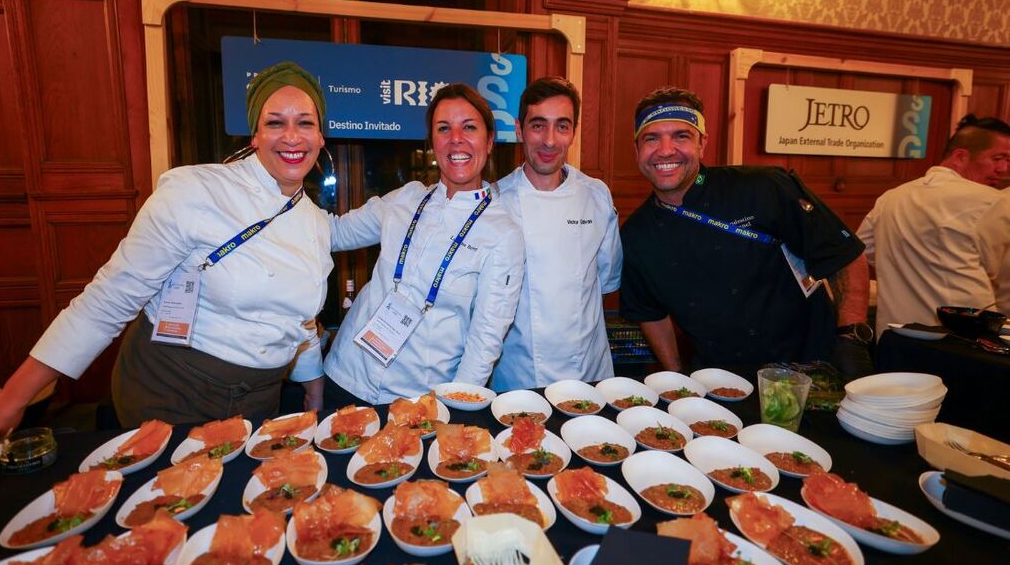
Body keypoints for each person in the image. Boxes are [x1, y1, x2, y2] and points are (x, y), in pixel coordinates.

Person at [0, 61, 334, 448]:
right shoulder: (195, 191)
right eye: (275, 122)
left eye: (305, 123)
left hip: (258, 400)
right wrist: (12, 400)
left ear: (320, 137)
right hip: (172, 391)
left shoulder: (314, 223)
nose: (292, 137)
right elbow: (108, 301)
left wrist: (313, 393)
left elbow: (301, 322)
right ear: (254, 136)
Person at [619, 87, 870, 376]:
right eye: (651, 138)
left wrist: (851, 340)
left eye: (681, 136)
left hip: (811, 368)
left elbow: (846, 256)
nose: (665, 150)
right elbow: (651, 314)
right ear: (637, 149)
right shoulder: (636, 234)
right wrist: (677, 377)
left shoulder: (765, 187)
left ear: (702, 144)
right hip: (722, 382)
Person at [324, 84, 524, 405]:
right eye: (444, 128)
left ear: (489, 142)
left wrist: (455, 408)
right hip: (346, 375)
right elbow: (332, 233)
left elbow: (484, 340)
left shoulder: (502, 232)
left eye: (469, 127)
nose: (456, 138)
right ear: (432, 142)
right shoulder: (406, 198)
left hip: (418, 398)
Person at [490, 77, 622, 390]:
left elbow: (607, 278)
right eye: (538, 125)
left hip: (588, 373)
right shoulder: (494, 201)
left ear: (574, 132)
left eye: (562, 126)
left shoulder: (597, 196)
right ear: (519, 129)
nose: (550, 140)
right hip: (518, 376)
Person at [858, 115, 1010, 337]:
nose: (1004, 168)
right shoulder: (995, 202)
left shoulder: (890, 199)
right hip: (965, 341)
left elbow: (861, 253)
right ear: (960, 156)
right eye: (998, 158)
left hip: (897, 336)